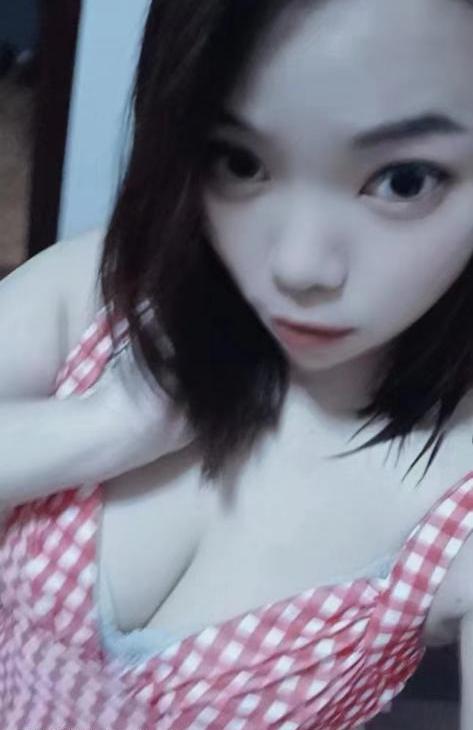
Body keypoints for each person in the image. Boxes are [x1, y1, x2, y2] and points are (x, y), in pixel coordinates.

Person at [1, 0, 473, 727]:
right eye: (241, 162)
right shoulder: (104, 291)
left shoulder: (456, 507)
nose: (298, 266)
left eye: (404, 181)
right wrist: (106, 426)